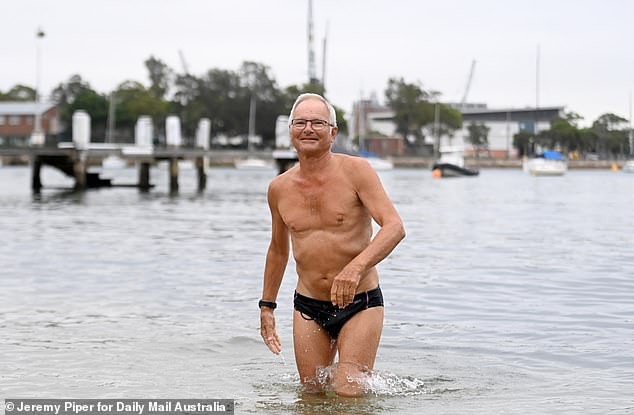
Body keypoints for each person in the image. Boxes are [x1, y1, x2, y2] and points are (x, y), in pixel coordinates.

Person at [259, 93, 405, 397]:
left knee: (348, 388)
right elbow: (278, 250)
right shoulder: (279, 188)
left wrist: (355, 268)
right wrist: (267, 306)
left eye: (317, 123)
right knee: (310, 394)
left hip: (359, 302)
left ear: (333, 133)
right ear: (291, 131)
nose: (308, 128)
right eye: (300, 122)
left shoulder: (357, 171)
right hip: (308, 304)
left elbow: (394, 227)